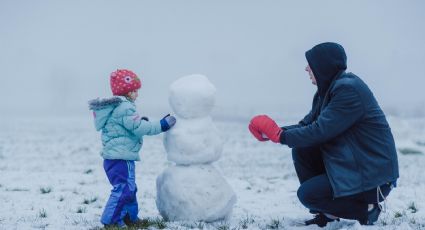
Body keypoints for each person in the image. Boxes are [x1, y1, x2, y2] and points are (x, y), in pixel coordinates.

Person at [248, 42, 399, 227]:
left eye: (310, 64)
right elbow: (307, 125)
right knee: (302, 150)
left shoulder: (348, 90)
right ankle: (329, 215)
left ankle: (367, 210)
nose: (306, 69)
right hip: (354, 166)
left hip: (374, 177)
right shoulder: (325, 92)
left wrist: (280, 136)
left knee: (307, 195)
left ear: (323, 66)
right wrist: (276, 132)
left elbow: (320, 131)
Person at [88, 69, 176, 228]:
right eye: (134, 90)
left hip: (115, 158)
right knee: (123, 190)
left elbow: (127, 125)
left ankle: (129, 217)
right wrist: (161, 125)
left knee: (129, 189)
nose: (137, 94)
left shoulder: (118, 107)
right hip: (121, 158)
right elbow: (138, 128)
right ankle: (111, 221)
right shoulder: (125, 107)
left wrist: (140, 121)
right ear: (126, 92)